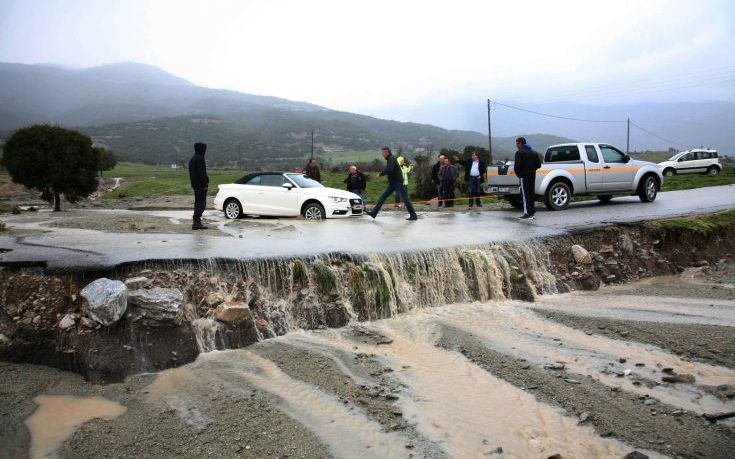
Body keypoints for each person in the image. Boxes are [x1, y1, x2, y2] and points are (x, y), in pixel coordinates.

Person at [366, 147, 417, 220]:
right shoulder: (390, 159)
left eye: (383, 153)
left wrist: (381, 174)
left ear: (387, 152)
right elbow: (390, 170)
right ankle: (374, 213)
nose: (382, 154)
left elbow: (390, 169)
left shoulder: (391, 159)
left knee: (405, 199)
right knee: (382, 197)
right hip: (392, 183)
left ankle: (413, 215)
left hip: (398, 182)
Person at [514, 137, 541, 219]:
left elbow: (517, 167)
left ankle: (527, 213)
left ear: (520, 143)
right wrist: (532, 170)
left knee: (525, 195)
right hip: (532, 176)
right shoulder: (534, 152)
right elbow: (539, 165)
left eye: (517, 143)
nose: (516, 145)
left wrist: (519, 175)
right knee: (531, 194)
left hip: (524, 176)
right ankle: (532, 212)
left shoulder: (519, 153)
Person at [188, 142, 209, 230]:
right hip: (201, 185)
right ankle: (196, 222)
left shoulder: (192, 159)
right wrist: (205, 183)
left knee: (198, 202)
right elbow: (202, 173)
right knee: (201, 204)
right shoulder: (200, 159)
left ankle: (196, 222)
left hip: (195, 184)